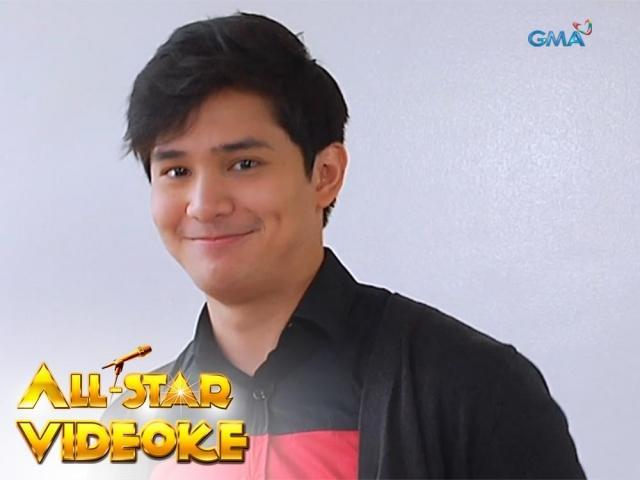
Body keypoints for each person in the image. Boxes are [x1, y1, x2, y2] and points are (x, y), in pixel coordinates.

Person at [99, 11, 586, 479]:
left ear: (325, 174)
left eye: (244, 164)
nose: (204, 205)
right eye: (176, 171)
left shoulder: (474, 387)